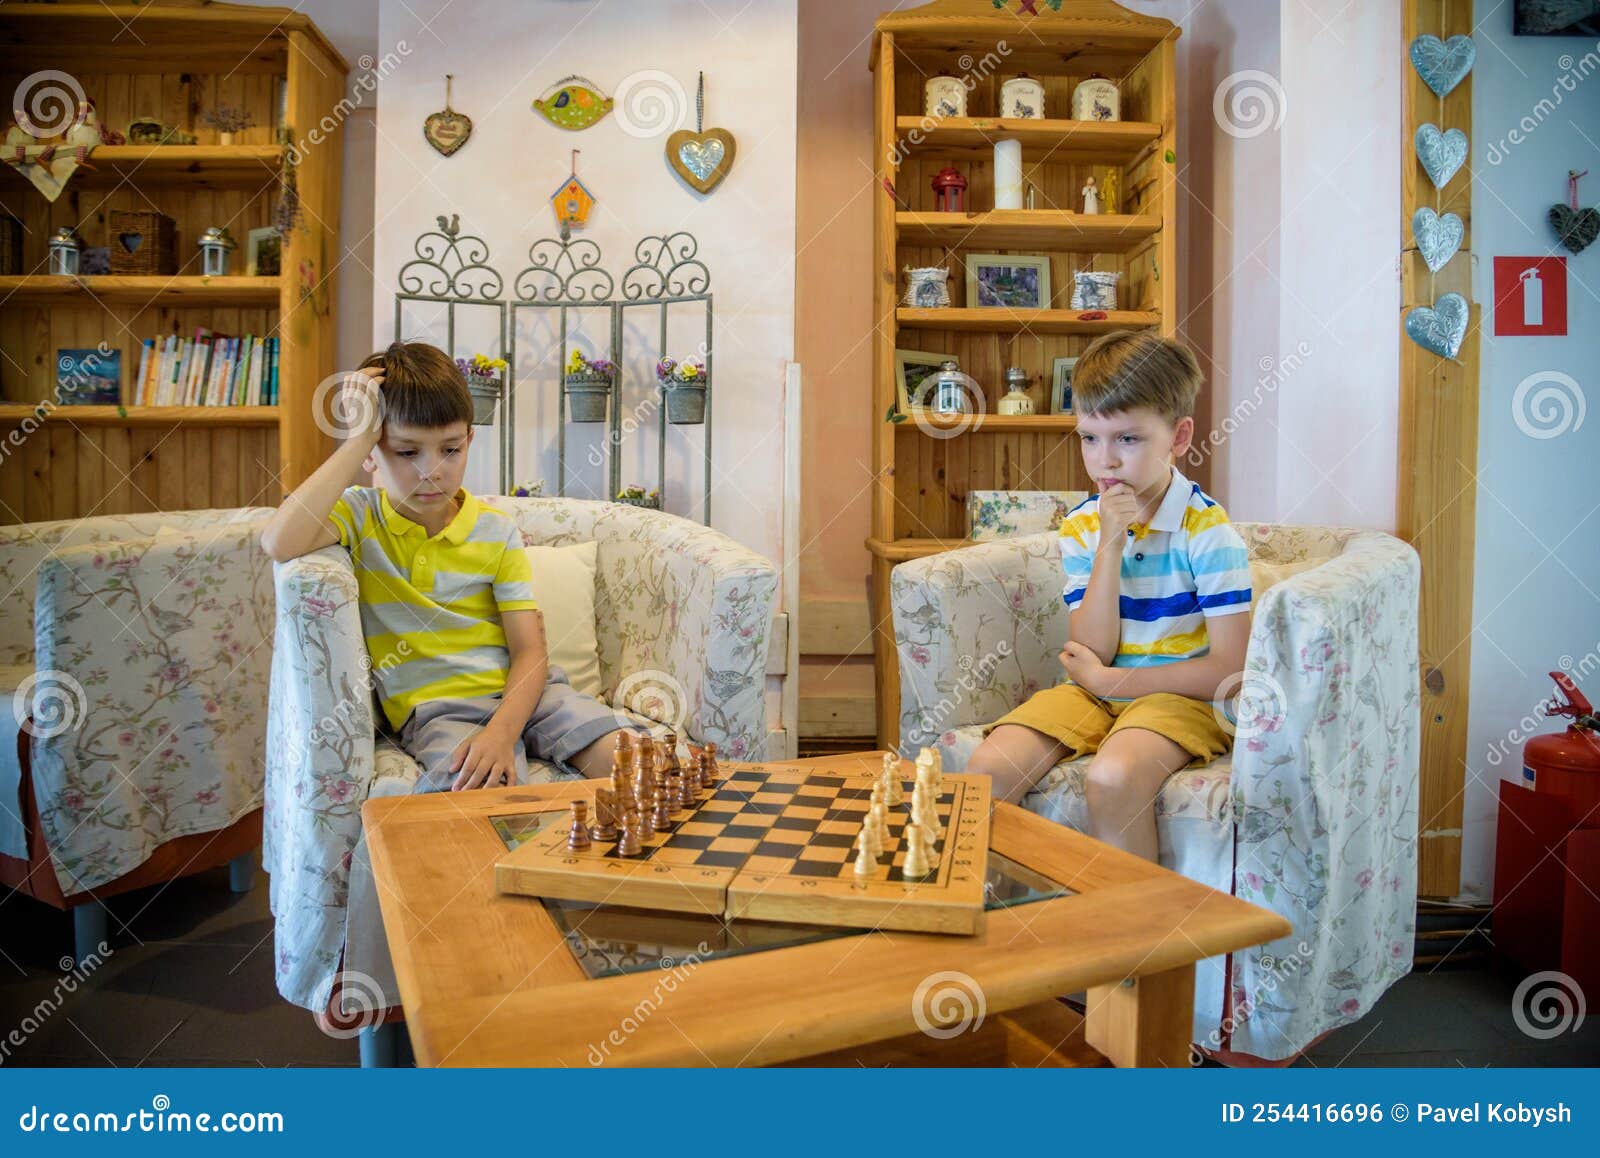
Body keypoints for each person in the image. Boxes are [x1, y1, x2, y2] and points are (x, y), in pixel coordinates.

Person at [261, 340, 648, 794]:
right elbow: (279, 541)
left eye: (450, 450)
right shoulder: (358, 516)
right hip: (440, 710)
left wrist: (503, 731)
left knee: (634, 761)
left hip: (532, 695)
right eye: (407, 452)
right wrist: (358, 438)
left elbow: (529, 650)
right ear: (373, 452)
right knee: (476, 794)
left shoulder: (494, 531)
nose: (432, 471)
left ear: (469, 441)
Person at [963, 330, 1253, 862]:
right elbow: (1090, 649)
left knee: (1114, 775)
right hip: (1094, 691)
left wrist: (1114, 680)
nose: (1105, 462)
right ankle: (999, 937)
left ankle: (1132, 940)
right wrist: (1109, 549)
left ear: (1180, 436)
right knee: (987, 769)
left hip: (1182, 700)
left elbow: (1231, 669)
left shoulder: (1208, 533)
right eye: (1089, 438)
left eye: (1127, 439)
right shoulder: (1083, 527)